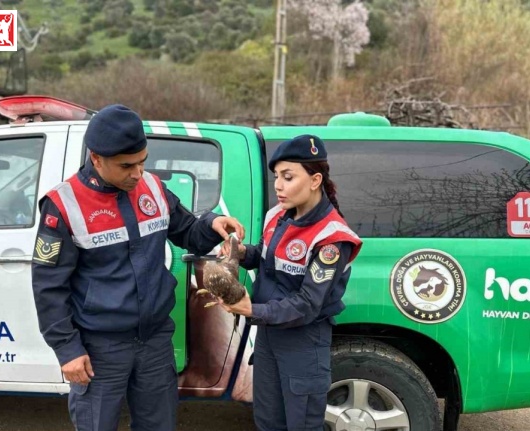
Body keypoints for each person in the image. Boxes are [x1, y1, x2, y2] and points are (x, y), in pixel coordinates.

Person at [31, 104, 245, 431]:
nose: (137, 173)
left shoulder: (153, 189)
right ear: (96, 158)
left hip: (154, 340)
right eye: (126, 166)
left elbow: (187, 230)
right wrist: (67, 349)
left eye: (143, 161)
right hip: (100, 346)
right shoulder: (63, 205)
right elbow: (48, 287)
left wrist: (212, 223)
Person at [218, 134, 362, 431]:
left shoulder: (332, 238)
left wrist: (252, 310)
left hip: (303, 341)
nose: (278, 186)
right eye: (276, 177)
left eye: (288, 177)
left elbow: (308, 304)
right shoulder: (278, 216)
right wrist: (243, 252)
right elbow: (268, 257)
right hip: (270, 337)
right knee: (268, 420)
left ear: (314, 180)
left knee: (302, 424)